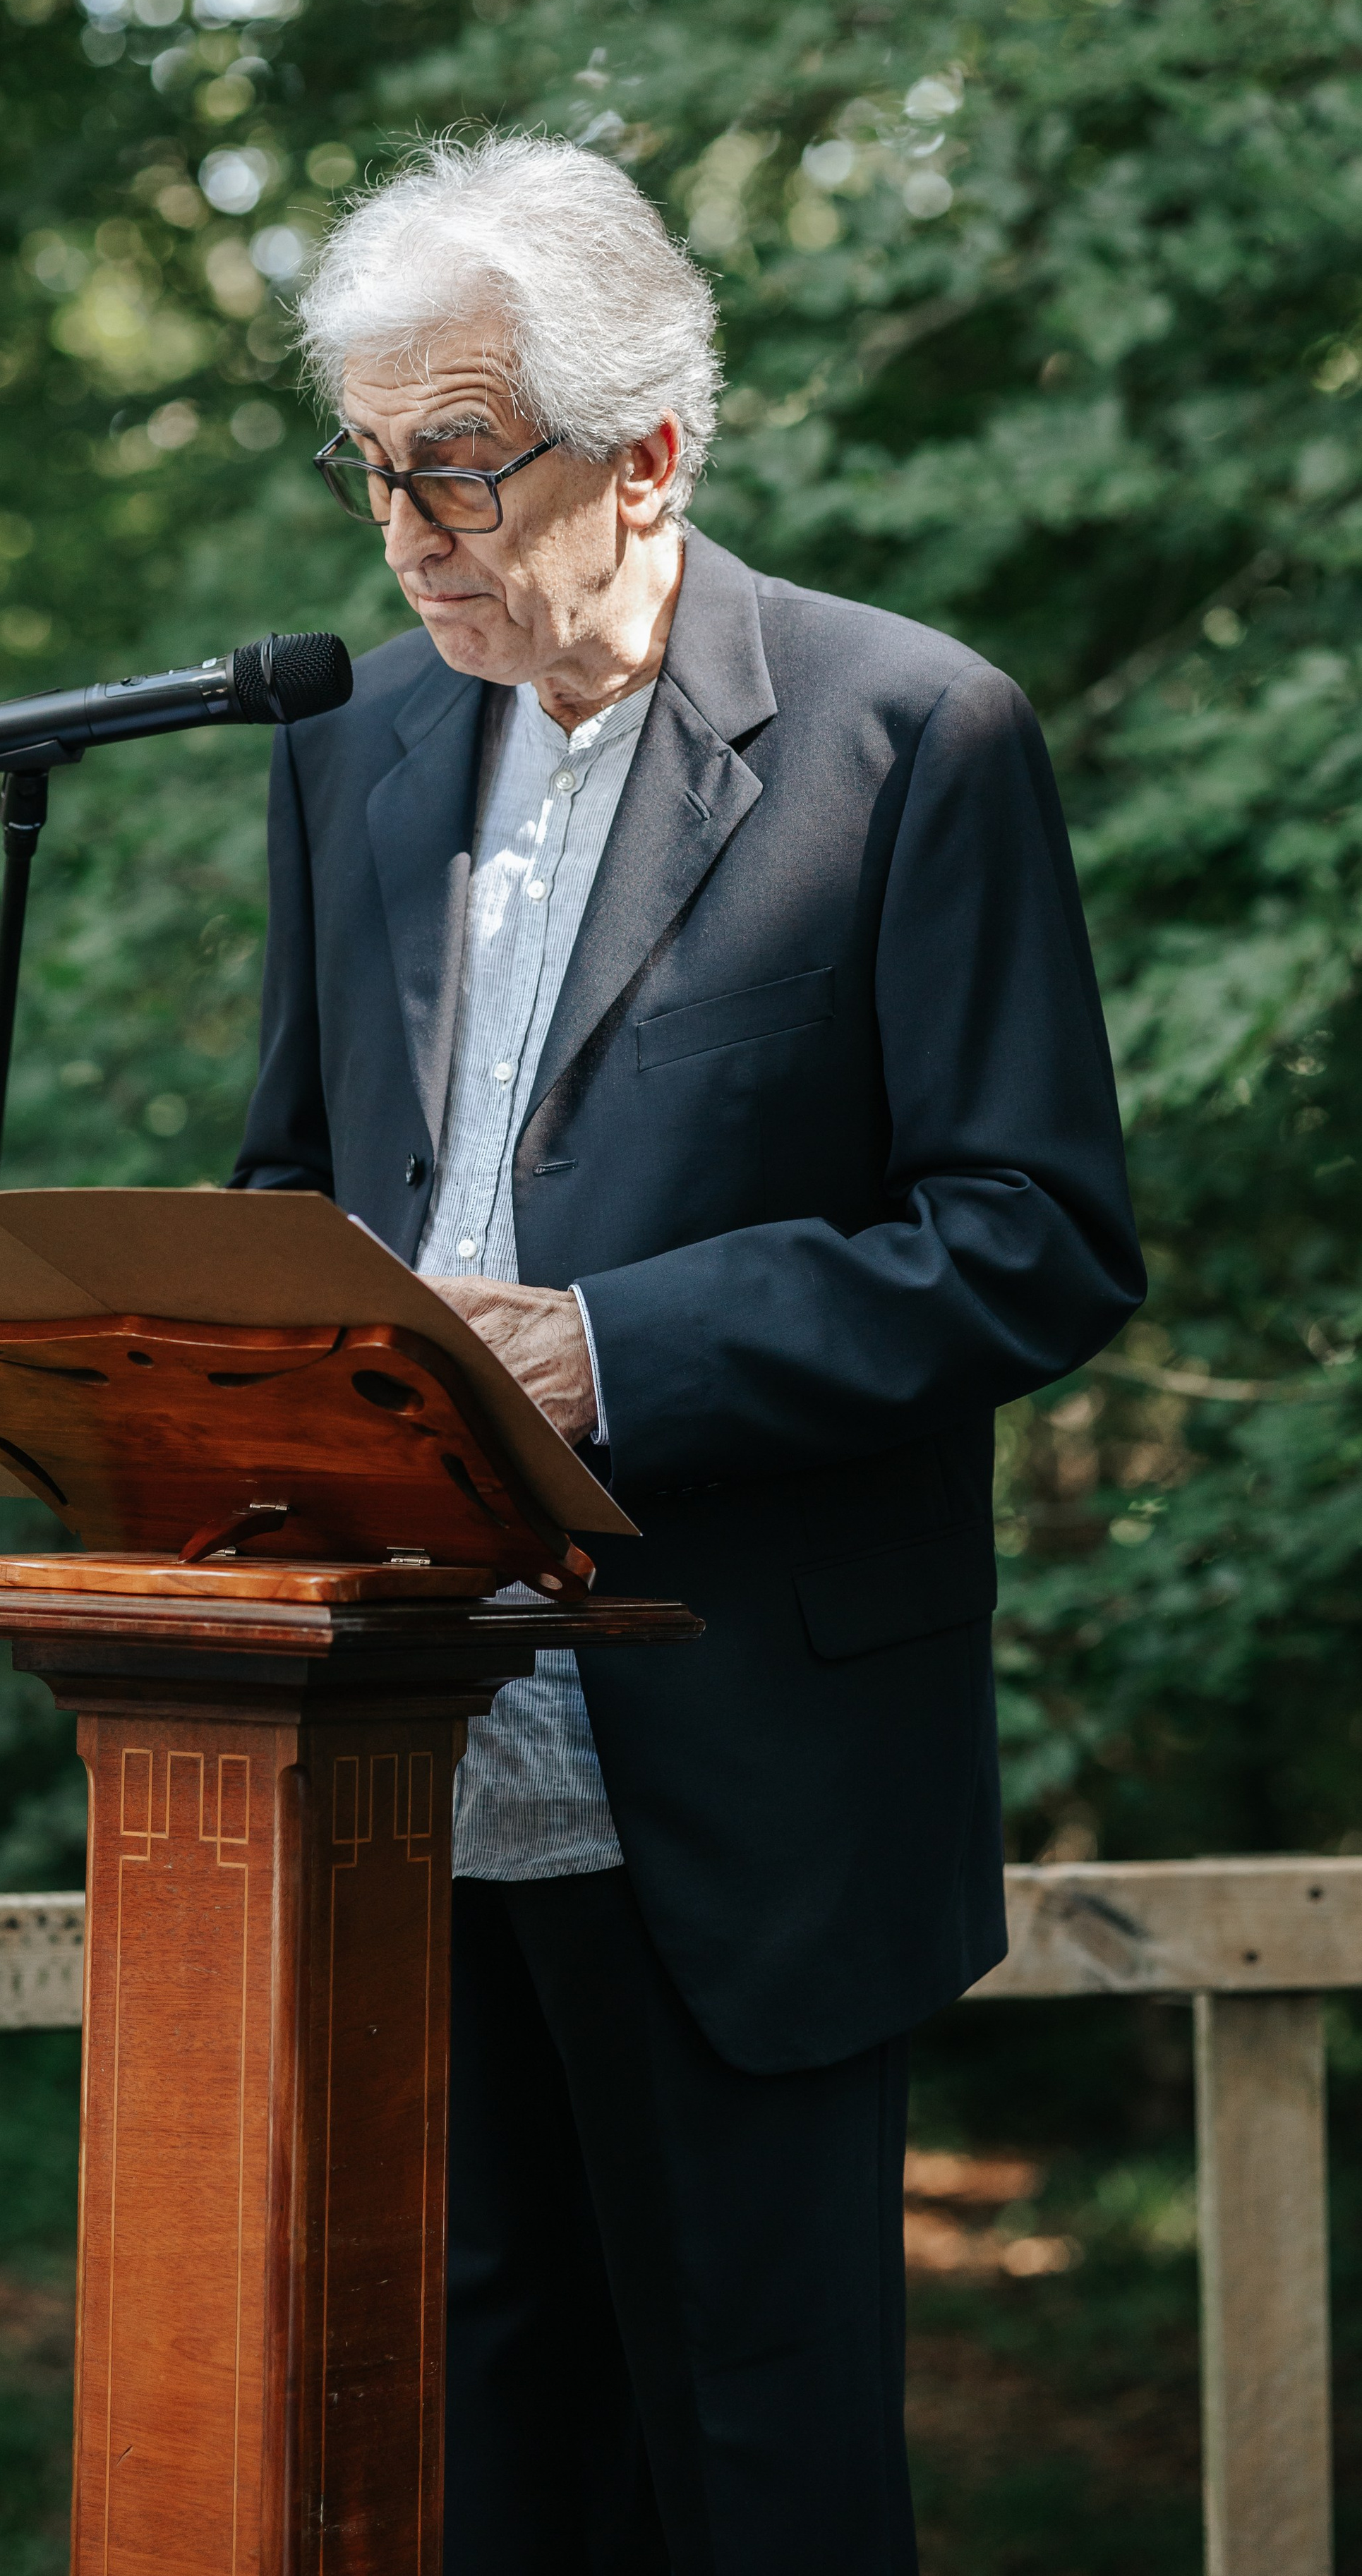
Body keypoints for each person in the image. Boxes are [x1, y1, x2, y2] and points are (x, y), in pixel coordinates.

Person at [230, 132, 1143, 2574]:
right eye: (376, 466)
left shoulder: (912, 737)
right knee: (478, 2461)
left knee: (762, 2475)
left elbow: (1036, 1239)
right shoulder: (356, 752)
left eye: (458, 460)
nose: (409, 529)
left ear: (650, 456)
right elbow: (285, 1184)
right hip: (396, 1757)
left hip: (743, 1768)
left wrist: (610, 1351)